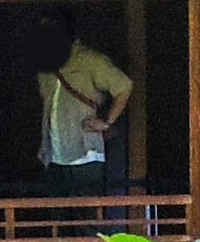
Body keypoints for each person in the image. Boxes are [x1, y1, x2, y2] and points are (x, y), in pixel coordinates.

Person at [38, 22, 135, 190]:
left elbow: (124, 86)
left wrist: (107, 122)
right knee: (56, 214)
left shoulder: (90, 60)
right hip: (52, 156)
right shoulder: (44, 67)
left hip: (85, 154)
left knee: (86, 213)